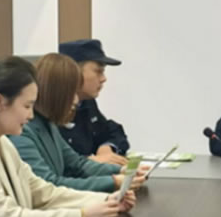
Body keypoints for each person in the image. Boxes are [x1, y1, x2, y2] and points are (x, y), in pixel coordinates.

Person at [0, 56, 135, 217]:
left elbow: (44, 193)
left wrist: (106, 201)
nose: (30, 115)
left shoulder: (4, 144)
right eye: (27, 106)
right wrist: (82, 216)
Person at [9, 54, 146, 193]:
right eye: (73, 93)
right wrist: (113, 182)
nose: (75, 100)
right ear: (57, 93)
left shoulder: (48, 123)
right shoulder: (21, 131)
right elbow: (49, 184)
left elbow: (77, 164)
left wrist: (121, 170)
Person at [59, 39, 129, 166]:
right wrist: (89, 161)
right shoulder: (49, 109)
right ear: (74, 72)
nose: (103, 79)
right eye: (98, 71)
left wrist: (106, 147)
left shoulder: (87, 102)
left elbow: (111, 131)